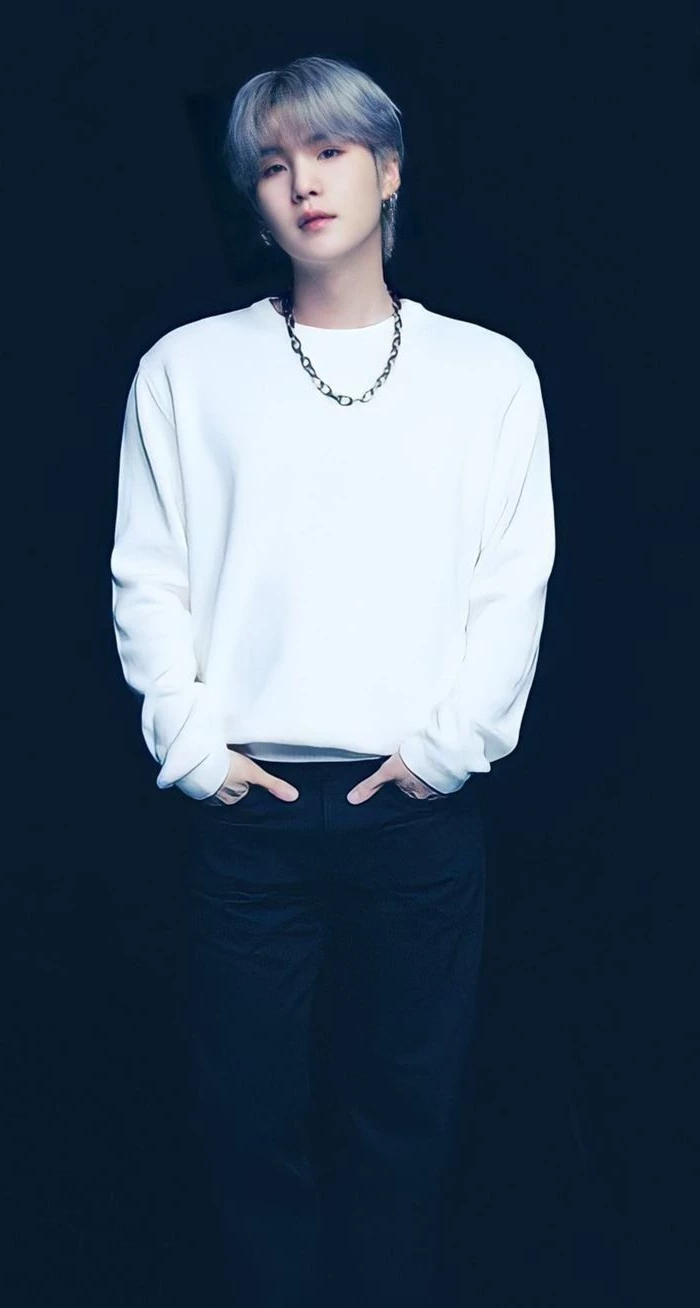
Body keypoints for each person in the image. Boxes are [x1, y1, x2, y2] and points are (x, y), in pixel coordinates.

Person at [110, 53, 556, 1308]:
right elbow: (150, 575)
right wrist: (193, 752)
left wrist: (445, 751)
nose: (302, 182)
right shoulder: (187, 369)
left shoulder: (488, 374)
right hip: (248, 817)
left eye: (329, 151)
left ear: (388, 170)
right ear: (252, 197)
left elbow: (511, 580)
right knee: (247, 1129)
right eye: (271, 163)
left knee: (403, 1124)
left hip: (413, 814)